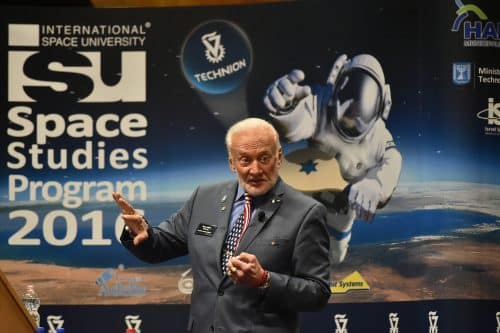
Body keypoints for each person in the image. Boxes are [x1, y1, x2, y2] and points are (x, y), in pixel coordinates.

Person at [113, 117, 331, 333]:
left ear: (279, 157)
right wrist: (141, 234)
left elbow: (318, 293)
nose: (255, 170)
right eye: (245, 160)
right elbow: (160, 246)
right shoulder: (204, 198)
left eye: (264, 158)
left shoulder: (306, 213)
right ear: (231, 163)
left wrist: (264, 280)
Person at [264, 54, 402, 263]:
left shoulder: (379, 138)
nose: (354, 110)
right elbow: (297, 123)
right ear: (336, 89)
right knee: (288, 236)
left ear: (381, 104)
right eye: (349, 95)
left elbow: (393, 161)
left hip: (343, 203)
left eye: (363, 100)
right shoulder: (321, 102)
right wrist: (285, 108)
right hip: (308, 185)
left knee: (336, 255)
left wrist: (376, 185)